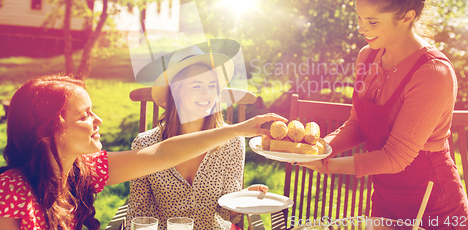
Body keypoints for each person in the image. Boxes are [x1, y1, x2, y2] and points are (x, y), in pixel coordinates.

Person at [301, 0, 468, 230]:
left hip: (434, 207)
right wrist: (320, 149)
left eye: (372, 21)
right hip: (385, 200)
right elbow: (358, 124)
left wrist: (327, 165)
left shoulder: (432, 73)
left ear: (408, 16)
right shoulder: (367, 57)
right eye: (359, 17)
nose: (361, 28)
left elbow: (396, 157)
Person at [0, 74, 285, 230]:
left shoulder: (83, 170)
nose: (98, 121)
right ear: (46, 132)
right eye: (84, 116)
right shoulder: (12, 192)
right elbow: (142, 203)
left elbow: (162, 154)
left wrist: (236, 130)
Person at [126, 45, 266, 230]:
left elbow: (227, 213)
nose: (207, 94)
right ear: (175, 92)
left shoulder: (232, 141)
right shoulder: (145, 144)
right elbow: (138, 213)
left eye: (211, 86)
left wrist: (244, 198)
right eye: (196, 86)